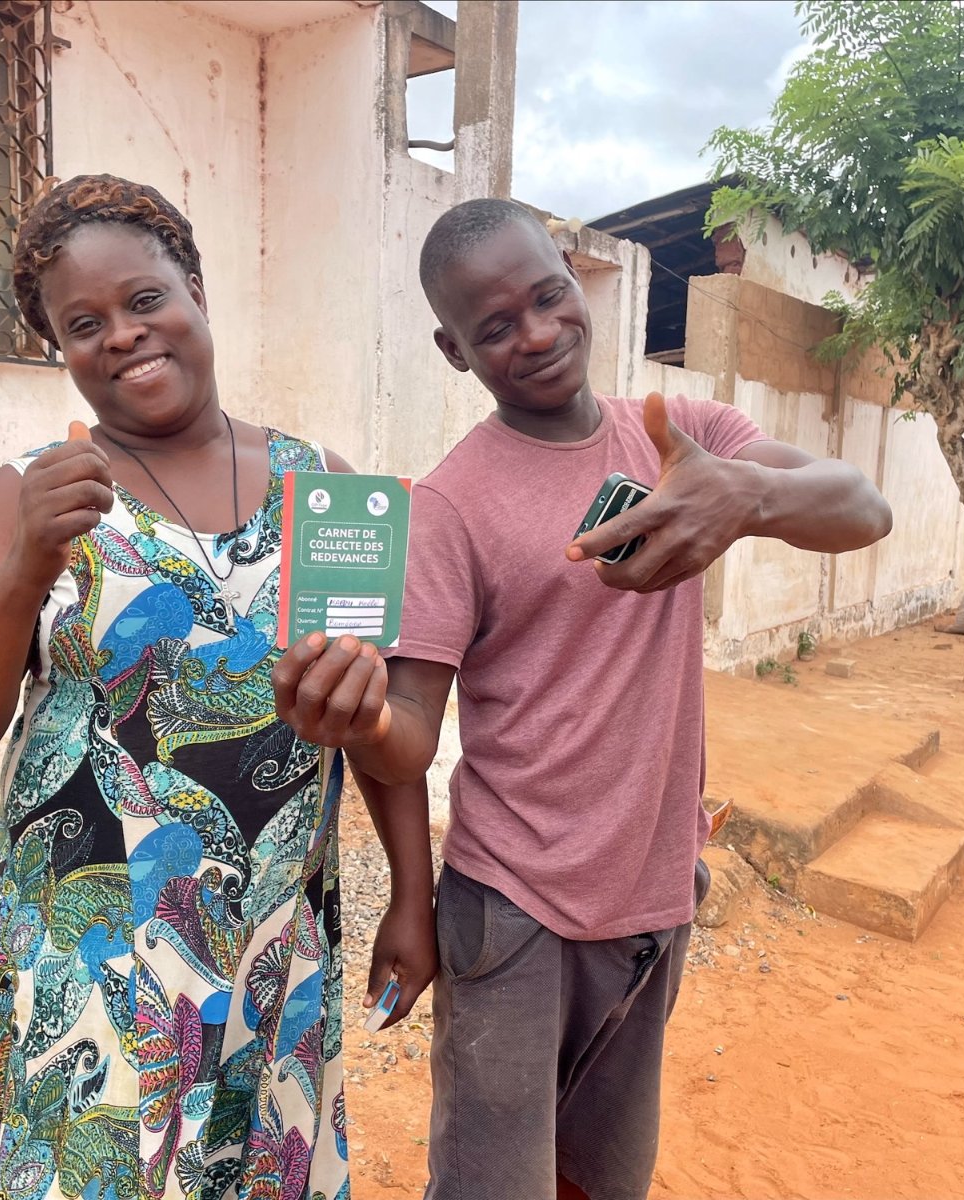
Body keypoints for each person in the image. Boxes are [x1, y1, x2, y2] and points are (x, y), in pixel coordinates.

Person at [273, 198, 893, 1200]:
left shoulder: (681, 439)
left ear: (574, 280)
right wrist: (362, 721)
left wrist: (748, 495)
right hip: (513, 910)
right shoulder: (450, 506)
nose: (536, 333)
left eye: (548, 296)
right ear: (453, 351)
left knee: (603, 1179)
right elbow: (411, 737)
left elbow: (864, 508)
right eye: (494, 327)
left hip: (653, 899)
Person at [0, 174, 429, 1200]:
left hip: (272, 951)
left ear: (197, 292)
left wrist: (412, 891)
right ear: (58, 348)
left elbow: (379, 721)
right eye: (83, 324)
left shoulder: (322, 487)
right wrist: (26, 568)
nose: (124, 336)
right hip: (94, 961)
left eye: (145, 300)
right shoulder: (28, 497)